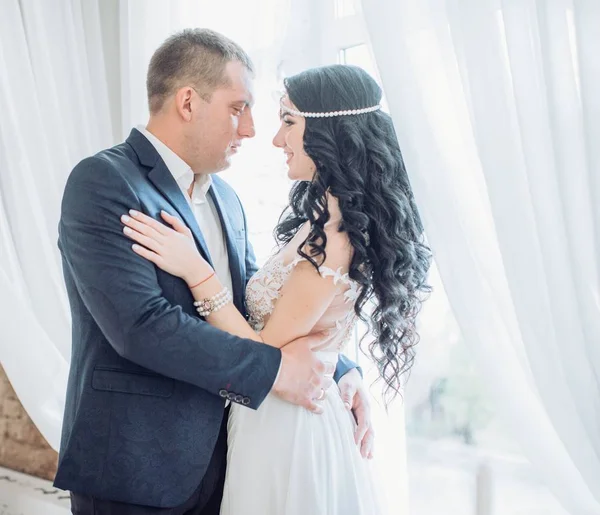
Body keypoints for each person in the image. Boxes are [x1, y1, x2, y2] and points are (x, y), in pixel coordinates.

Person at [54, 29, 369, 515]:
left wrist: (336, 368)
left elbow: (254, 305)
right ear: (187, 102)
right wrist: (278, 372)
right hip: (137, 465)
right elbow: (142, 328)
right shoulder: (103, 183)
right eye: (237, 108)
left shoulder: (226, 198)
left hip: (228, 461)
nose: (249, 130)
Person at [121, 64, 432, 514]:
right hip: (267, 420)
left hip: (290, 429)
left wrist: (194, 269)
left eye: (289, 123)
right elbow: (285, 321)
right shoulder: (319, 224)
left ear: (330, 133)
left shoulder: (336, 239)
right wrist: (342, 367)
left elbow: (263, 352)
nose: (274, 139)